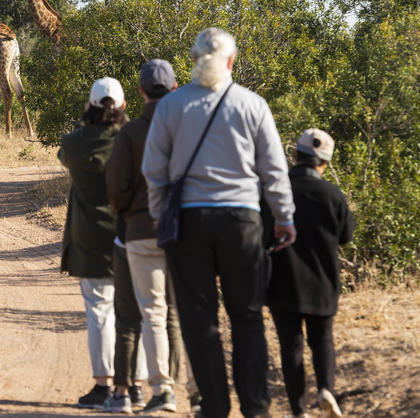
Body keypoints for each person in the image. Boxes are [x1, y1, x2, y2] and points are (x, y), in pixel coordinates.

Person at [142, 28, 296, 418]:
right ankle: (256, 406)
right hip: (242, 221)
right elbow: (274, 169)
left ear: (194, 61)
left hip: (190, 224)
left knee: (198, 317)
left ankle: (214, 406)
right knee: (246, 315)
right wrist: (284, 217)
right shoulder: (253, 104)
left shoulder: (171, 107)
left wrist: (163, 218)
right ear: (231, 61)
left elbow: (154, 171)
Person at [105, 59, 187, 414]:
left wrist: (128, 210)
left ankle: (163, 390)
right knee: (180, 312)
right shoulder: (187, 128)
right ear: (173, 89)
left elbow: (117, 190)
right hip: (185, 232)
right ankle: (190, 390)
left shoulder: (131, 133)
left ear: (139, 91)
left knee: (152, 311)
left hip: (140, 231)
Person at [262, 129, 354, 418]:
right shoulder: (333, 194)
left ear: (295, 156)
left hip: (282, 281)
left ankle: (298, 410)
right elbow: (346, 236)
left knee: (291, 346)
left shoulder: (276, 190)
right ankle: (326, 388)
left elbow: (263, 234)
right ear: (324, 163)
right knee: (322, 339)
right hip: (323, 282)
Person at [59, 77, 129, 409]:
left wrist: (86, 121)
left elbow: (65, 150)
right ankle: (134, 387)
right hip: (130, 234)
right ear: (123, 107)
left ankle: (102, 385)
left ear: (89, 106)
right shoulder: (130, 141)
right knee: (135, 313)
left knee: (99, 310)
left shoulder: (74, 144)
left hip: (89, 238)